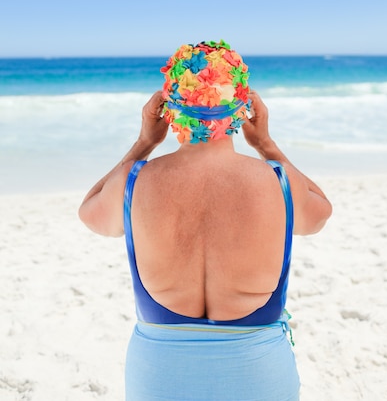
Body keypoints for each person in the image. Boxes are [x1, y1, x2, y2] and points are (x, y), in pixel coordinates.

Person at [79, 40, 332, 401]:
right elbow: (319, 214)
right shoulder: (278, 180)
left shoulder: (134, 180)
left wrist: (143, 143)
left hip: (159, 377)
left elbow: (90, 213)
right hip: (259, 373)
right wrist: (267, 145)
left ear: (166, 111)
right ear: (245, 108)